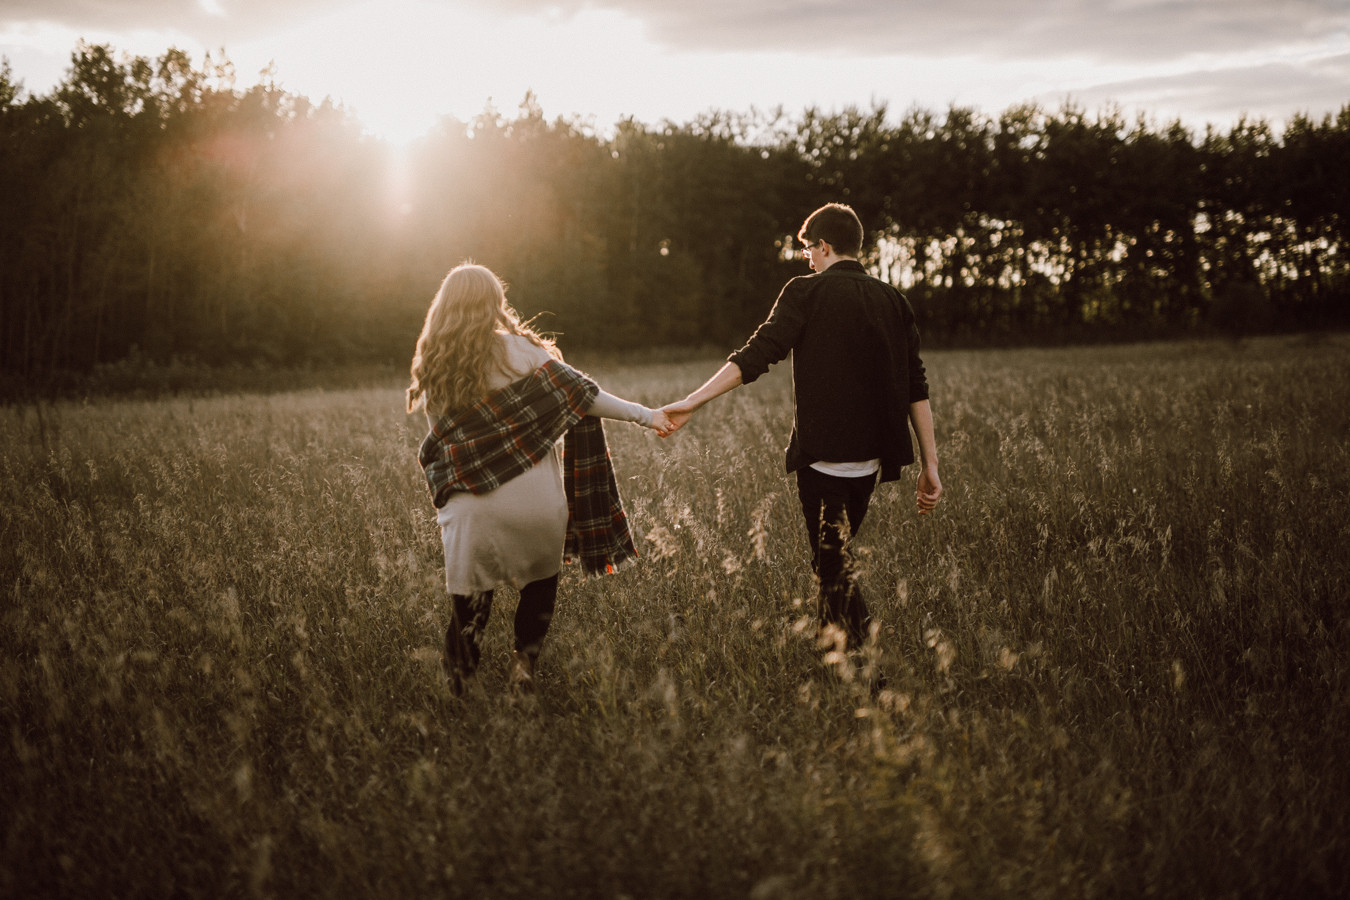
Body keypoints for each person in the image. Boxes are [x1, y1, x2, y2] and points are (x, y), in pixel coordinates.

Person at [661, 203, 941, 660]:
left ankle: (870, 669)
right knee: (832, 560)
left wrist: (693, 401)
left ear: (824, 246)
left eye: (808, 249)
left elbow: (757, 354)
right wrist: (931, 464)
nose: (807, 258)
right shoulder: (894, 300)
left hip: (823, 461)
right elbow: (917, 385)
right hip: (870, 464)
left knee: (833, 567)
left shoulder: (805, 292)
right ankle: (833, 656)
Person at [409, 263, 674, 696]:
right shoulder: (525, 352)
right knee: (540, 585)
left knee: (469, 604)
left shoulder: (435, 364)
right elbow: (586, 395)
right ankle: (523, 663)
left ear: (445, 306)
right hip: (536, 504)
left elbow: (447, 446)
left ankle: (460, 682)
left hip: (472, 506)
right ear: (495, 304)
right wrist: (649, 415)